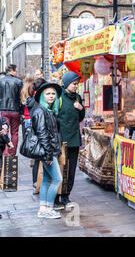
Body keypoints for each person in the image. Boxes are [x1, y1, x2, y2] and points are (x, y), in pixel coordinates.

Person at [26, 79, 63, 219]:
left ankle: (43, 209)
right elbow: (42, 135)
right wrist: (48, 155)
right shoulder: (41, 111)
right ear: (42, 96)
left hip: (50, 151)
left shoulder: (48, 111)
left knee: (47, 180)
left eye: (53, 93)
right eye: (48, 93)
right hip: (48, 152)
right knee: (57, 179)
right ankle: (49, 209)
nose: (51, 96)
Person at [56, 71, 85, 208]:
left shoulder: (78, 98)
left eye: (77, 84)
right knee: (60, 168)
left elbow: (80, 118)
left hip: (74, 140)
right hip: (61, 139)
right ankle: (56, 196)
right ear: (67, 83)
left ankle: (66, 195)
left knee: (71, 170)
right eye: (74, 84)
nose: (76, 86)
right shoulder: (59, 96)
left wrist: (81, 109)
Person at [21, 74, 39, 194]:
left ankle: (32, 155)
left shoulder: (23, 89)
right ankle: (34, 156)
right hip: (32, 116)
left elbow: (22, 103)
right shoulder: (34, 90)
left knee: (29, 138)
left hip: (26, 117)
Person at [0, 64, 24, 155]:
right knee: (15, 133)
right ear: (12, 70)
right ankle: (12, 154)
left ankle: (5, 153)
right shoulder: (18, 82)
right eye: (16, 70)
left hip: (3, 110)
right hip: (15, 110)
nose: (16, 72)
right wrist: (22, 112)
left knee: (4, 131)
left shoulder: (0, 81)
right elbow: (22, 98)